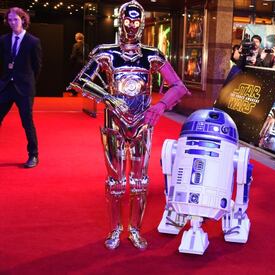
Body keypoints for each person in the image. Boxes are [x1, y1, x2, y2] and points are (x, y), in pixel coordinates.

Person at [69, 0, 190, 250]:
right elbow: (80, 81)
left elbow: (178, 86)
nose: (131, 26)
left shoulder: (152, 55)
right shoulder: (106, 52)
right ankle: (115, 229)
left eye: (136, 21)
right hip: (113, 122)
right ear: (119, 21)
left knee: (139, 182)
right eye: (127, 20)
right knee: (115, 182)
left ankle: (134, 229)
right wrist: (107, 96)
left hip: (142, 123)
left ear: (142, 23)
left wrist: (159, 106)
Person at [0, 7, 42, 168]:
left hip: (24, 89)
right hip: (5, 86)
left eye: (15, 19)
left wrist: (28, 82)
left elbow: (37, 67)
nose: (12, 23)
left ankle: (33, 155)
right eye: (9, 20)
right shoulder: (3, 40)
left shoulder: (33, 41)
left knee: (27, 122)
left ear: (23, 20)